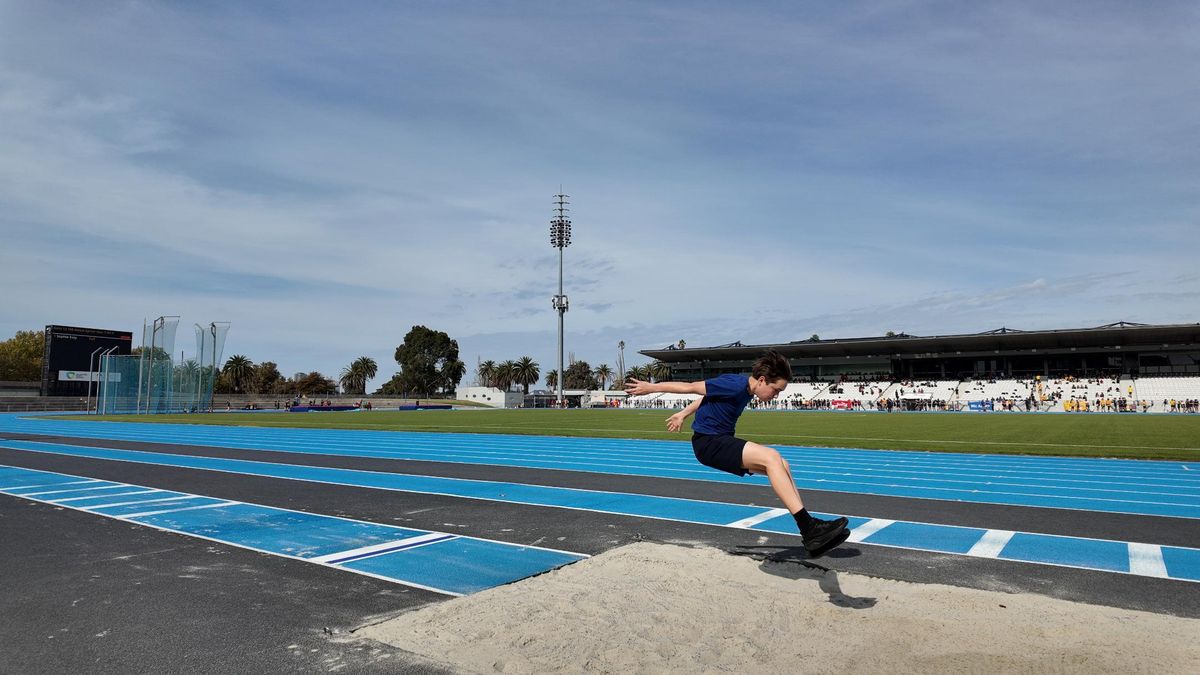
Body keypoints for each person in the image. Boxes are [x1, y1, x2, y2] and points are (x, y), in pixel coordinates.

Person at [625, 350, 849, 557]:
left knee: (782, 464)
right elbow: (691, 387)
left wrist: (683, 414)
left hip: (719, 441)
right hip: (709, 443)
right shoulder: (734, 384)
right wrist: (651, 387)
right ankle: (809, 527)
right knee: (771, 457)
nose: (776, 395)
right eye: (776, 390)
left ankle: (809, 532)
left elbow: (707, 397)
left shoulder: (747, 389)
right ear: (762, 380)